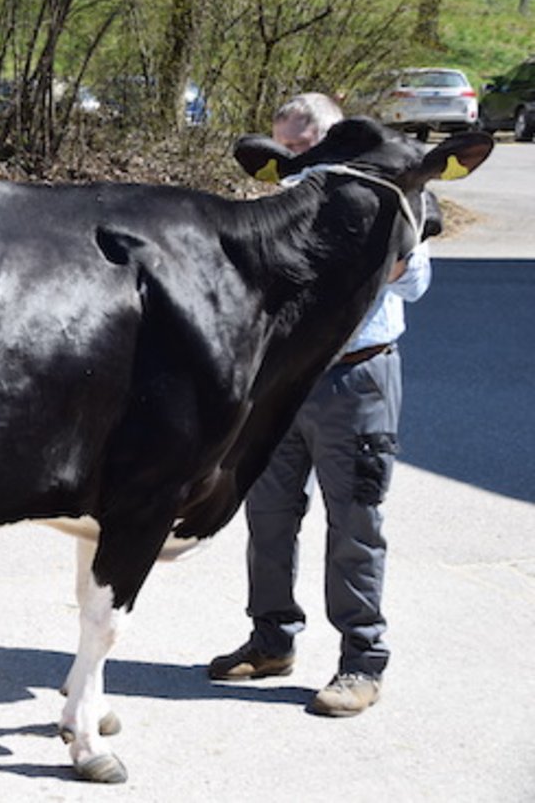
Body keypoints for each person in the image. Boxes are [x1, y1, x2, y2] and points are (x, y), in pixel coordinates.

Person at [208, 92, 430, 716]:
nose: (295, 161)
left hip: (357, 379)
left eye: (305, 147)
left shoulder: (389, 193)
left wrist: (363, 247)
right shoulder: (284, 200)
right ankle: (271, 639)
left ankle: (362, 660)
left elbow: (418, 281)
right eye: (286, 148)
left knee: (355, 521)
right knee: (268, 515)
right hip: (283, 381)